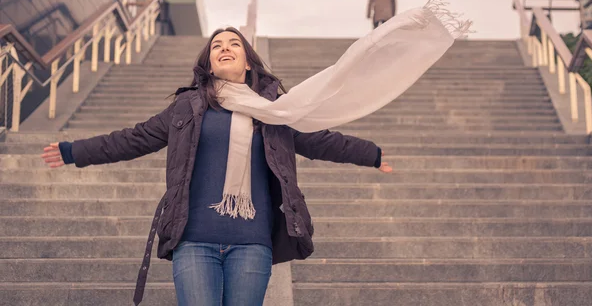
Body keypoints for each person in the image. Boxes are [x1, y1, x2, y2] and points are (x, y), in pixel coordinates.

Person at [40, 27, 393, 306]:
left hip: (251, 244)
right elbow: (135, 138)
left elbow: (321, 140)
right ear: (209, 64)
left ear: (248, 61)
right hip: (193, 240)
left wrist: (371, 154)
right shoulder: (187, 107)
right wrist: (74, 151)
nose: (225, 47)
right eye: (217, 45)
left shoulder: (276, 111)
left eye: (234, 44)